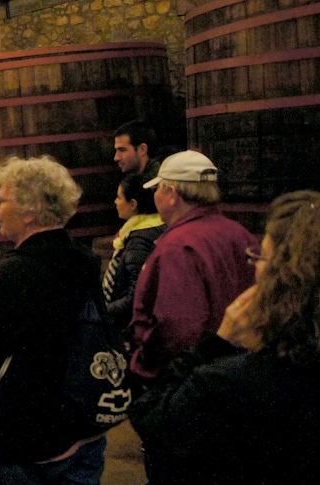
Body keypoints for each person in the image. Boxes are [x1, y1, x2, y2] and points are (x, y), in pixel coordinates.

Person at [130, 190, 320, 485]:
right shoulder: (236, 231)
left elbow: (153, 422)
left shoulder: (227, 383)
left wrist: (216, 345)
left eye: (260, 258)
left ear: (283, 275)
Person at [0, 156, 108, 484]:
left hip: (23, 445)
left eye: (1, 200)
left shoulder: (8, 276)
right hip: (82, 433)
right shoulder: (85, 262)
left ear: (29, 210)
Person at [129, 150, 258, 387]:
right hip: (240, 370)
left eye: (157, 188)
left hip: (195, 381)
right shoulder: (240, 234)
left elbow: (178, 330)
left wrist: (146, 367)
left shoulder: (177, 247)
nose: (154, 196)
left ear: (171, 194)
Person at [101, 173, 166, 331]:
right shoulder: (153, 227)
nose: (115, 202)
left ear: (133, 204)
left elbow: (136, 295)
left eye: (119, 197)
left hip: (130, 325)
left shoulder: (139, 239)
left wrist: (103, 312)